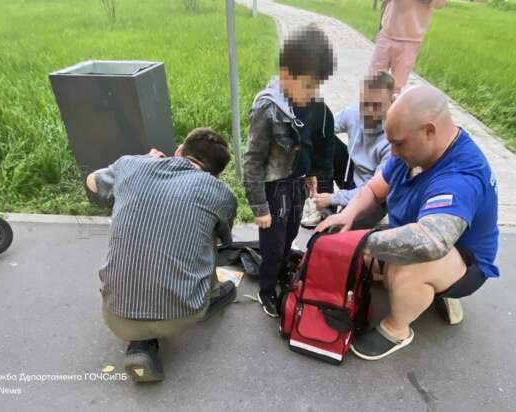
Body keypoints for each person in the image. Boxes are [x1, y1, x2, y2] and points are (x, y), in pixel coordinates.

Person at [317, 85, 499, 360]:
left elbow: (429, 242)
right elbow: (374, 189)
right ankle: (429, 292)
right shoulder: (414, 150)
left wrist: (360, 242)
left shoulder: (460, 177)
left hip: (461, 257)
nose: (392, 151)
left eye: (398, 143)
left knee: (403, 271)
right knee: (356, 259)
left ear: (429, 130)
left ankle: (397, 328)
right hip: (419, 233)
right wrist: (348, 215)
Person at [85, 128, 238, 382]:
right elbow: (225, 239)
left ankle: (141, 343)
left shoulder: (132, 165)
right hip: (184, 314)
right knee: (207, 237)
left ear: (179, 151)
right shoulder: (220, 192)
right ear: (218, 174)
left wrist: (144, 161)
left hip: (114, 312)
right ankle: (211, 296)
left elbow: (92, 181)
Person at [243, 25, 336, 318]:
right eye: (309, 86)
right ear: (286, 75)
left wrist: (309, 174)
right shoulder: (268, 110)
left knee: (291, 236)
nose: (313, 93)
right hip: (274, 190)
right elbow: (253, 160)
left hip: (295, 186)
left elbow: (304, 145)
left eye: (317, 86)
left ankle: (282, 270)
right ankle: (267, 288)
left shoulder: (308, 105)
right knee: (272, 244)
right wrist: (259, 206)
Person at [303, 71, 394, 229]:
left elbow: (377, 189)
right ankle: (322, 205)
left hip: (376, 197)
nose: (369, 112)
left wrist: (335, 198)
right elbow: (320, 130)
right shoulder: (353, 114)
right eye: (365, 104)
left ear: (391, 102)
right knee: (324, 137)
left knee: (336, 232)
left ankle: (331, 203)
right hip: (351, 179)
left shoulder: (394, 138)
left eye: (377, 106)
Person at [369, 0, 447, 91]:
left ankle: (393, 102)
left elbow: (439, 4)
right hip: (386, 34)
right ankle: (372, 103)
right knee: (375, 76)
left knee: (397, 82)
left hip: (410, 41)